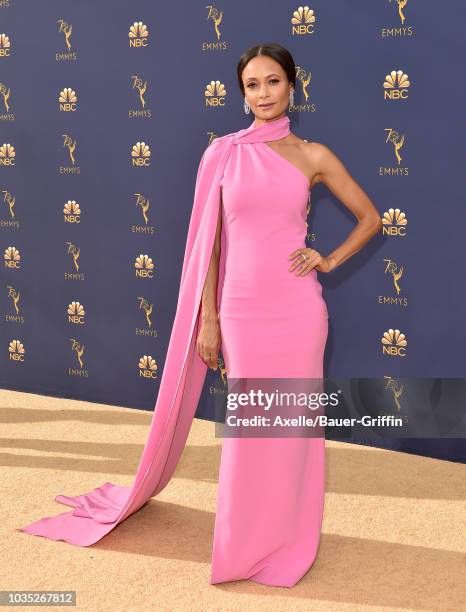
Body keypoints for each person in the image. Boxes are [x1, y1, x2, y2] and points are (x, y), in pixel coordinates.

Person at [17, 42, 381, 588]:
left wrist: (327, 258)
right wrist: (209, 318)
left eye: (273, 81)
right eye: (252, 85)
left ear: (293, 87)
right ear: (242, 95)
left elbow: (370, 218)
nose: (263, 93)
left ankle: (288, 538)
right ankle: (245, 546)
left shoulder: (314, 156)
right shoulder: (223, 154)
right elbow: (209, 245)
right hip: (240, 307)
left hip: (298, 309)